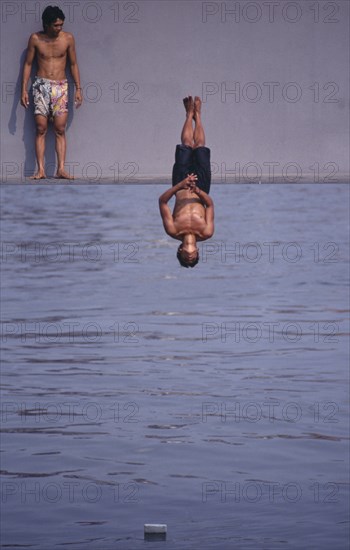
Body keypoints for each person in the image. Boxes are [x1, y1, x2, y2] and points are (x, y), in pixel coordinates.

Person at [21, 5, 82, 179]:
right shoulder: (35, 39)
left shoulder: (68, 39)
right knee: (40, 128)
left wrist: (78, 88)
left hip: (60, 87)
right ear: (46, 24)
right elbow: (27, 64)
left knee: (60, 128)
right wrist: (24, 90)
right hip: (40, 86)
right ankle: (40, 170)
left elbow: (73, 64)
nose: (59, 28)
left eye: (61, 25)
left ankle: (61, 169)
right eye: (56, 25)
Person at [159, 96, 214, 267]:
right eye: (193, 258)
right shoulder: (206, 232)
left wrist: (180, 185)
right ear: (198, 252)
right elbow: (210, 205)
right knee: (200, 146)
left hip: (181, 184)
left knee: (186, 144)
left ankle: (189, 114)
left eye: (186, 258)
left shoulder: (173, 230)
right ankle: (198, 115)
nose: (190, 257)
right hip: (201, 186)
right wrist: (198, 191)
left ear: (180, 251)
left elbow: (162, 201)